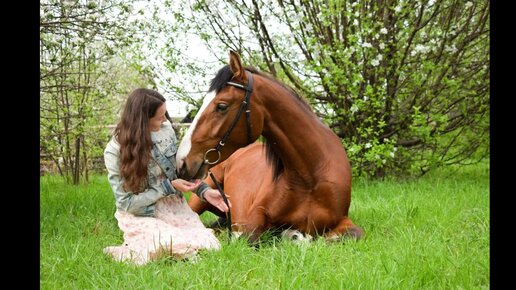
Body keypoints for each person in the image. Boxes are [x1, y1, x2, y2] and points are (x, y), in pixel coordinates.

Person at [103, 88, 230, 265]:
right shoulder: (115, 151)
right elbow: (127, 204)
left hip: (174, 207)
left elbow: (177, 173)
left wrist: (205, 191)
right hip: (142, 213)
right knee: (168, 244)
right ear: (142, 120)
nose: (164, 120)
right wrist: (169, 187)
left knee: (208, 244)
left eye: (165, 114)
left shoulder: (166, 131)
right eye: (159, 117)